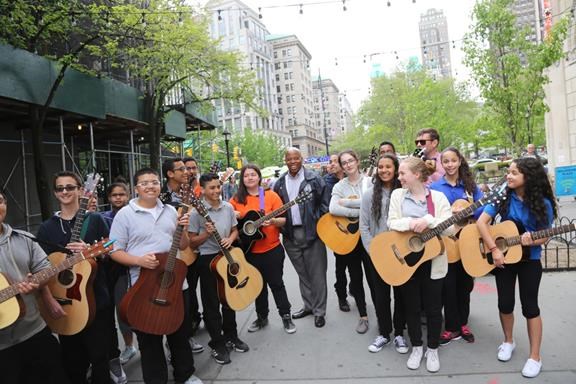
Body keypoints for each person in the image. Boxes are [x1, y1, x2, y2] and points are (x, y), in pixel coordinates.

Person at [109, 167, 202, 384]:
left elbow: (183, 245)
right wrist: (139, 261)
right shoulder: (125, 215)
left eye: (154, 182)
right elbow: (115, 251)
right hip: (143, 286)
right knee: (149, 340)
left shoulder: (171, 211)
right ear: (136, 188)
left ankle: (185, 374)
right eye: (144, 183)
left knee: (179, 334)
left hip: (176, 285)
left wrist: (184, 229)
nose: (150, 186)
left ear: (160, 185)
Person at [36, 171, 123, 384]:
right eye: (60, 188)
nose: (65, 191)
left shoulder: (95, 220)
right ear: (56, 193)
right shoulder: (47, 228)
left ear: (80, 191)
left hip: (95, 299)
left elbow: (111, 248)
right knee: (72, 359)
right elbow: (41, 265)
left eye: (70, 187)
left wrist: (93, 253)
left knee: (99, 356)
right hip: (64, 301)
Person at [476, 157, 556, 378]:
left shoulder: (543, 203)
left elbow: (545, 235)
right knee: (505, 303)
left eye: (513, 173)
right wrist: (494, 249)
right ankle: (508, 341)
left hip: (530, 259)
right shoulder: (504, 195)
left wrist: (534, 240)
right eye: (508, 172)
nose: (508, 176)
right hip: (503, 257)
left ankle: (534, 356)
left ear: (527, 177)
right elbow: (482, 222)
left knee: (530, 307)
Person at [388, 157, 454, 373]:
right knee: (412, 307)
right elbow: (391, 222)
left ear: (416, 175)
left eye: (402, 174)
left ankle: (432, 349)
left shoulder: (438, 197)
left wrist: (429, 220)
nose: (399, 178)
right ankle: (417, 346)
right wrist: (410, 223)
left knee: (434, 308)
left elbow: (450, 229)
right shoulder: (398, 195)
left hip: (433, 260)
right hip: (408, 259)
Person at [0, 190, 70, 384]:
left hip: (34, 331)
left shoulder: (25, 238)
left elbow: (45, 269)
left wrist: (37, 282)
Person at [188, 173, 249, 365]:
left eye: (217, 187)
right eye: (211, 188)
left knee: (229, 299)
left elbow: (234, 229)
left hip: (227, 255)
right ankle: (217, 343)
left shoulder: (228, 207)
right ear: (203, 190)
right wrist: (206, 234)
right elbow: (190, 242)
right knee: (211, 303)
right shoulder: (196, 213)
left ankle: (231, 335)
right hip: (208, 260)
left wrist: (230, 239)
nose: (216, 191)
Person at [229, 164, 296, 334]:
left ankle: (286, 316)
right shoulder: (236, 199)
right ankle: (262, 317)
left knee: (277, 284)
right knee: (257, 287)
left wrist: (273, 221)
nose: (250, 178)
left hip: (271, 249)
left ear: (259, 177)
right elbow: (229, 220)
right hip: (248, 251)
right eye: (246, 175)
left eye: (253, 174)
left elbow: (283, 220)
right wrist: (234, 215)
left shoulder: (271, 196)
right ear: (241, 179)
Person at [430, 147, 483, 346]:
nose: (450, 165)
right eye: (446, 162)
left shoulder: (469, 186)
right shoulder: (436, 187)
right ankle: (451, 327)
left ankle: (463, 323)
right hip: (447, 243)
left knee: (465, 284)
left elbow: (483, 210)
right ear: (441, 164)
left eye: (453, 160)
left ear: (460, 161)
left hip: (468, 242)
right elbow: (432, 214)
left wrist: (470, 213)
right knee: (448, 286)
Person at [274, 148, 329, 328]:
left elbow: (325, 205)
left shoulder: (315, 179)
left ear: (302, 159)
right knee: (303, 274)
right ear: (285, 160)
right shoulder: (280, 183)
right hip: (290, 235)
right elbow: (275, 206)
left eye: (296, 158)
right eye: (289, 158)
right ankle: (309, 306)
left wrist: (315, 222)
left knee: (317, 275)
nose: (292, 161)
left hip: (312, 233)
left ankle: (320, 312)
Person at [359, 153, 409, 354]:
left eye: (388, 167)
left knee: (401, 295)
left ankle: (398, 334)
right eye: (381, 167)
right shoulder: (369, 194)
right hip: (376, 255)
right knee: (381, 296)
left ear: (396, 169)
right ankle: (384, 333)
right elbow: (364, 226)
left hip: (401, 254)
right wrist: (373, 251)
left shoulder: (404, 193)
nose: (384, 170)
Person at [160, 158, 204, 354]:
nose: (186, 171)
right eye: (181, 169)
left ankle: (188, 334)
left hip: (188, 250)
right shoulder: (161, 197)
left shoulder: (189, 194)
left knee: (189, 294)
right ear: (170, 174)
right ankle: (172, 340)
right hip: (169, 255)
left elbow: (198, 215)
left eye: (187, 168)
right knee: (170, 297)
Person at [329, 150, 375, 334]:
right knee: (355, 278)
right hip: (351, 238)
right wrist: (360, 211)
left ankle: (382, 314)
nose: (348, 165)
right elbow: (333, 208)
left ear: (357, 161)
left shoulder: (370, 181)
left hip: (369, 236)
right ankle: (363, 316)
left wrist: (347, 203)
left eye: (350, 161)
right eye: (344, 163)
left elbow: (374, 205)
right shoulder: (339, 186)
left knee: (373, 278)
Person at [100, 181, 139, 365]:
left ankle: (139, 344)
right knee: (118, 309)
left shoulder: (134, 215)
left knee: (134, 308)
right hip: (112, 270)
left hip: (133, 267)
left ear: (129, 195)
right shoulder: (102, 218)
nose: (118, 198)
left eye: (122, 194)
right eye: (114, 195)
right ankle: (128, 346)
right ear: (109, 198)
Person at [324, 154, 351, 312]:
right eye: (331, 162)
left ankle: (354, 287)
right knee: (341, 265)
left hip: (354, 229)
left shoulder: (352, 180)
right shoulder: (326, 182)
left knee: (356, 264)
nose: (332, 164)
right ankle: (342, 295)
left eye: (336, 161)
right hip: (337, 229)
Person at [183, 157, 203, 336]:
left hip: (204, 245)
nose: (190, 171)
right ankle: (193, 317)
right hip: (186, 248)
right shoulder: (176, 192)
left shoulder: (201, 188)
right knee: (188, 286)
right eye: (186, 168)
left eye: (193, 167)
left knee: (206, 286)